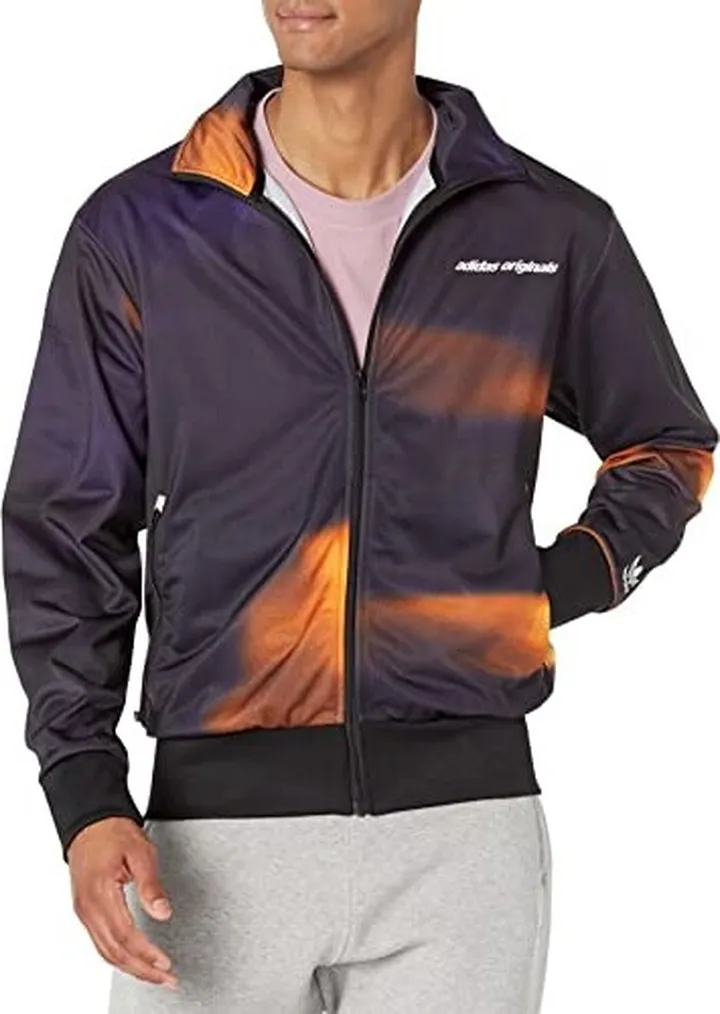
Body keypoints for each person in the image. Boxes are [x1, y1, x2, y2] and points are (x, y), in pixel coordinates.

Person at [2, 1, 716, 1011]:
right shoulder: (144, 232)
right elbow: (67, 524)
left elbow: (669, 445)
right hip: (208, 843)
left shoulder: (542, 229)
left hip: (460, 846)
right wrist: (83, 792)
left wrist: (550, 585)